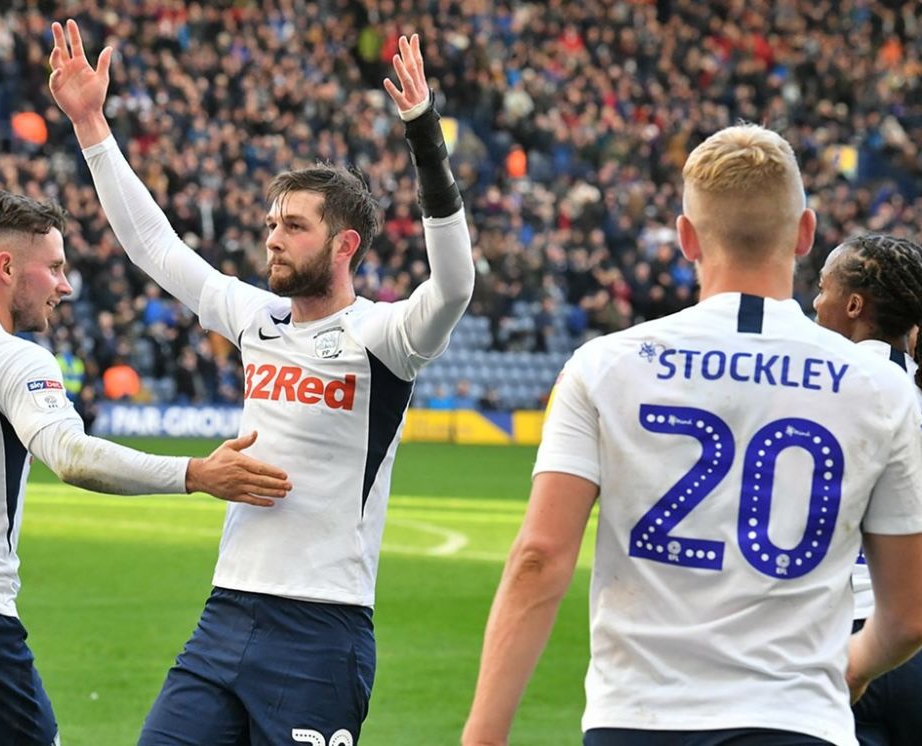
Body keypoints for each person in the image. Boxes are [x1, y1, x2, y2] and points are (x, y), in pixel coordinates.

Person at [49, 21, 474, 744]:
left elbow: (456, 285)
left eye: (295, 227)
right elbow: (154, 245)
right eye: (272, 222)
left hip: (322, 628)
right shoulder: (258, 318)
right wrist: (91, 124)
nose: (273, 237)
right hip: (226, 615)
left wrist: (423, 133)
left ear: (345, 245)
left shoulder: (384, 337)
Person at [462, 124, 922, 746]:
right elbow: (908, 614)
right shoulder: (882, 387)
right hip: (795, 719)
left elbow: (539, 558)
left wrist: (483, 734)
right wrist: (853, 668)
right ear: (805, 233)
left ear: (685, 237)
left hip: (639, 719)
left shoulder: (604, 365)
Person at [0, 191, 292, 746]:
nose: (65, 286)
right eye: (54, 268)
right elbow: (72, 456)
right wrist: (194, 473)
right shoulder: (14, 358)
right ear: (6, 268)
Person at [812, 232, 922, 746]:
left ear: (854, 305)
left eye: (823, 289)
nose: (816, 302)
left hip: (845, 637)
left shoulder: (821, 390)